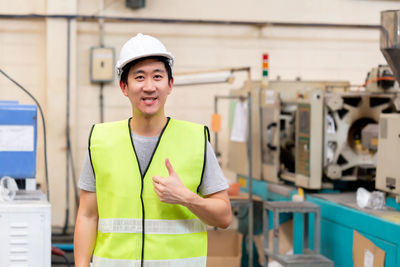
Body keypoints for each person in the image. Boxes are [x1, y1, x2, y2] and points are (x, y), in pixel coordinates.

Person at [74, 33, 232, 267]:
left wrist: (187, 198)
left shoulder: (196, 140)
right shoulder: (101, 141)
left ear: (170, 84)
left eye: (157, 76)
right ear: (124, 87)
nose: (149, 87)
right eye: (139, 77)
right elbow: (87, 216)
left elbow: (225, 216)